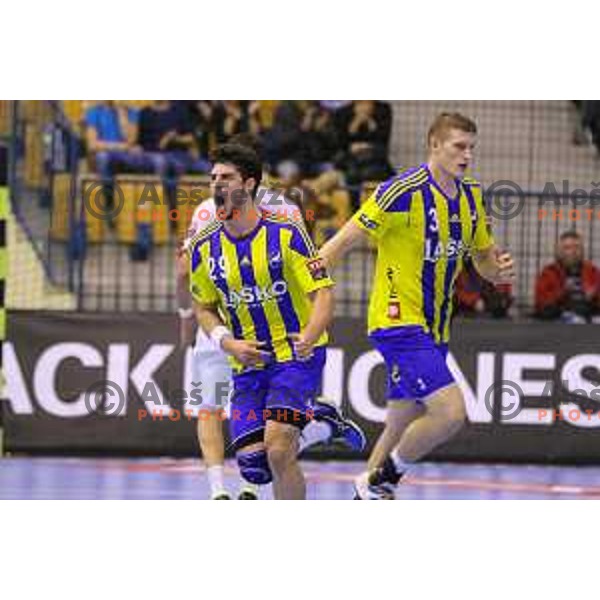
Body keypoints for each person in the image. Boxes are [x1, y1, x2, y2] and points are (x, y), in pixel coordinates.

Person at [320, 112, 515, 499]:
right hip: (398, 321)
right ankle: (384, 480)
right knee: (450, 413)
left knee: (400, 421)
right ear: (434, 145)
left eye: (471, 148)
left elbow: (483, 261)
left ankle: (364, 495)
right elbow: (342, 241)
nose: (467, 155)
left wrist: (498, 270)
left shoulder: (471, 196)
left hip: (436, 327)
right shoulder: (402, 190)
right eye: (459, 146)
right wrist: (300, 285)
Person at [179, 143, 364, 499]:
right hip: (246, 361)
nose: (217, 184)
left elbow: (324, 294)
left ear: (248, 185)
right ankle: (321, 422)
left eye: (226, 177)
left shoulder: (287, 233)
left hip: (295, 355)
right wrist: (226, 342)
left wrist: (309, 338)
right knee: (254, 467)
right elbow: (203, 306)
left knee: (279, 450)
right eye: (213, 177)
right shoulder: (204, 246)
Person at [534, 230, 600, 323]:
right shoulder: (548, 273)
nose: (573, 251)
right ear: (559, 251)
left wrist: (594, 296)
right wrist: (563, 292)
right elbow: (542, 304)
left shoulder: (593, 271)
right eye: (567, 248)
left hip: (589, 313)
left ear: (582, 250)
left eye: (577, 247)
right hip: (560, 315)